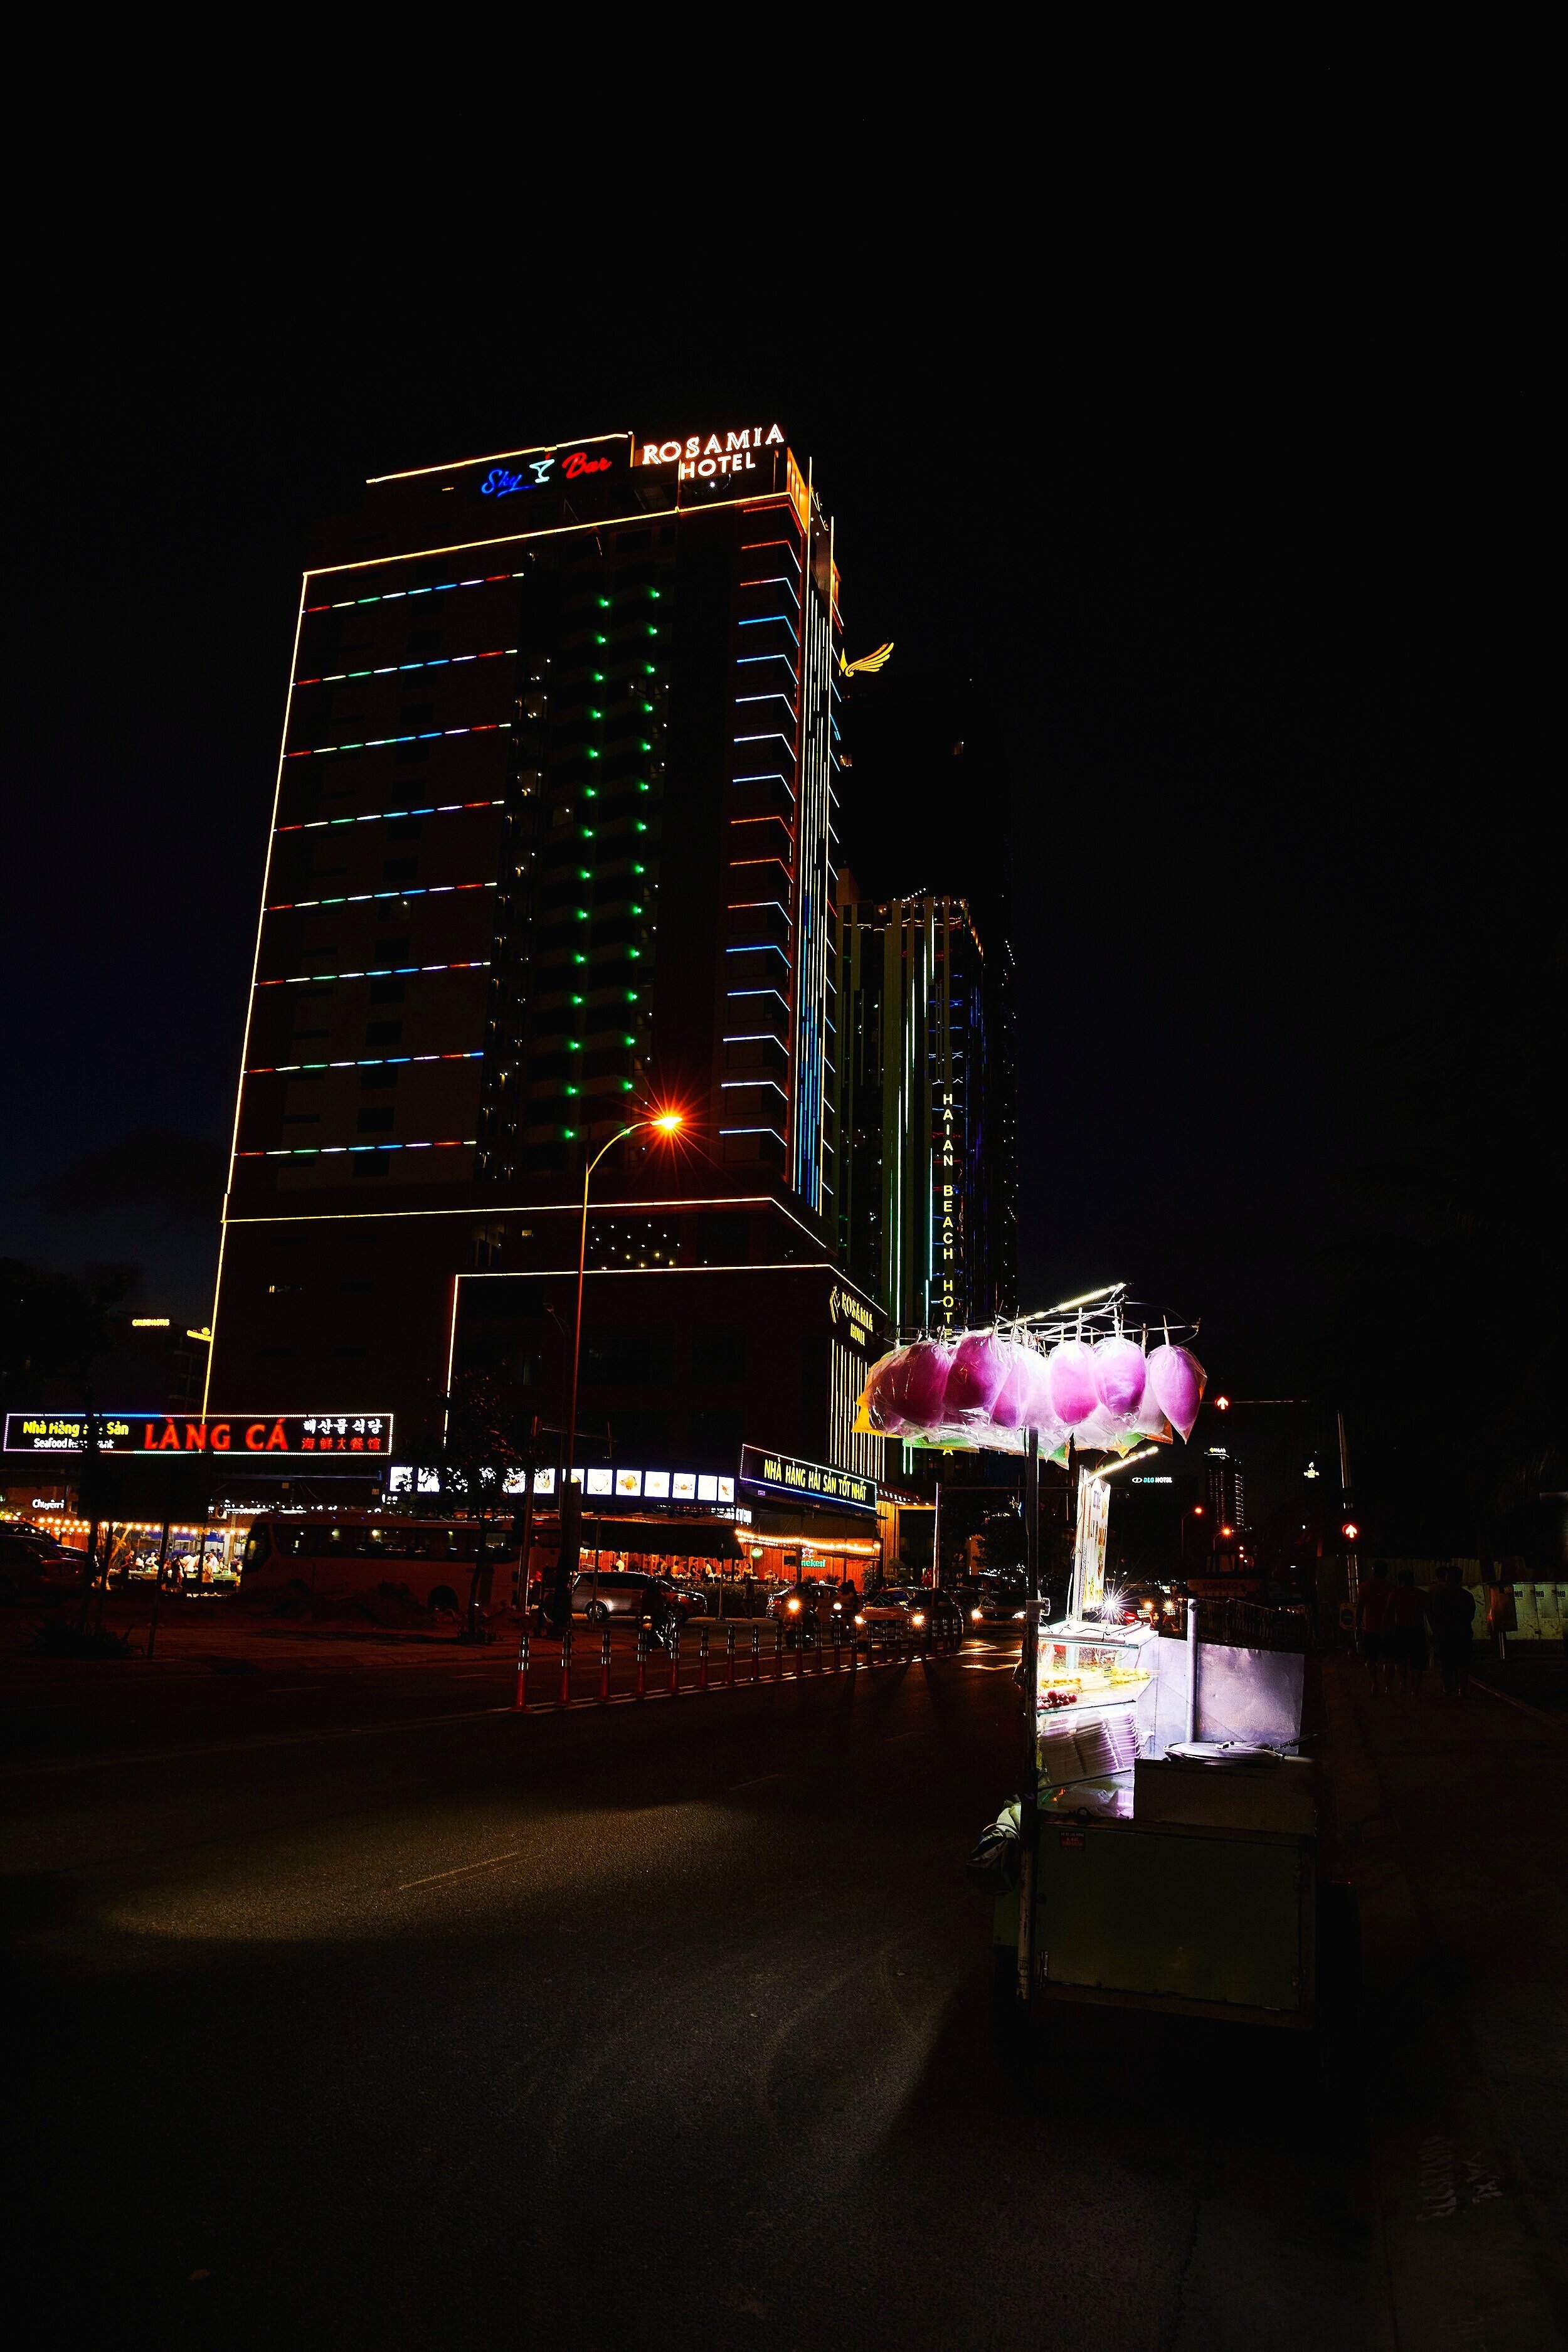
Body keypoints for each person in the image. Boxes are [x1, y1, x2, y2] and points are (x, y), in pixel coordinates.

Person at [1426, 1563, 1476, 1698]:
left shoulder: (1439, 1595)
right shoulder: (1467, 1596)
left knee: (1446, 1664)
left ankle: (1447, 1689)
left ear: (1447, 1578)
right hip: (1463, 1633)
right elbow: (1471, 1615)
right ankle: (1462, 1690)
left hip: (1445, 1634)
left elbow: (1434, 1614)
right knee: (1463, 1664)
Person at [1356, 1559, 1396, 1694]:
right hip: (1388, 1628)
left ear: (1373, 1571)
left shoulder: (1365, 1586)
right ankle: (1389, 1687)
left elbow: (1360, 1607)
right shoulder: (1391, 1588)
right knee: (1389, 1659)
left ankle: (1374, 1683)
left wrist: (1357, 1624)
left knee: (1370, 1658)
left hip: (1370, 1627)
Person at [1387, 1567, 1428, 1693]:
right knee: (1417, 1663)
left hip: (1400, 1629)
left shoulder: (1395, 1594)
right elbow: (1430, 1615)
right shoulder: (1421, 1595)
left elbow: (1388, 1614)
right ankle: (1415, 1690)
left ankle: (1402, 1684)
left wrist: (1386, 1630)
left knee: (1400, 1660)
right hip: (1417, 1630)